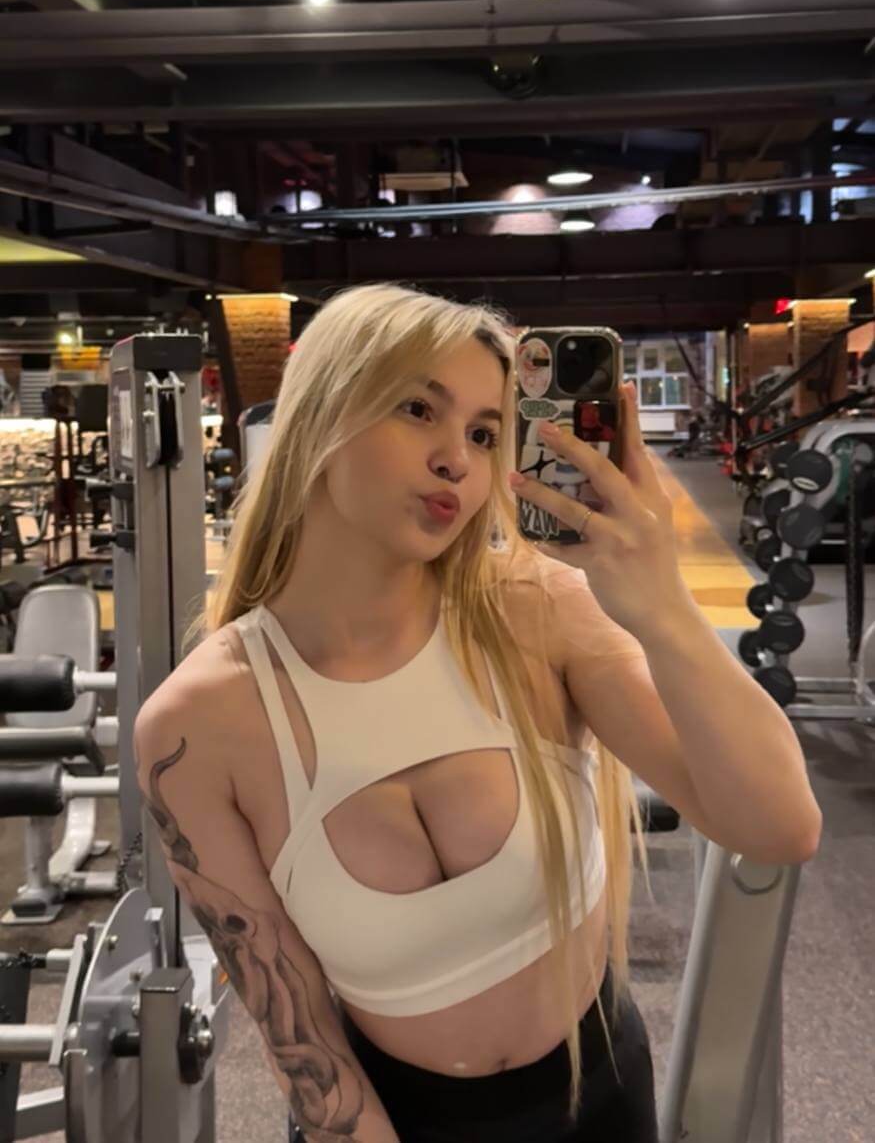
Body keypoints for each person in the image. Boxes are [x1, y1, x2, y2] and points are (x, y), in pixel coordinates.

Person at [133, 283, 820, 1143]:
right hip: (386, 1119)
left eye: (485, 434)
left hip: (598, 1096)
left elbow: (779, 828)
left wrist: (661, 608)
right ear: (321, 416)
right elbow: (295, 1027)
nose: (456, 459)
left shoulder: (538, 610)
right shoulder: (198, 724)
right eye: (418, 409)